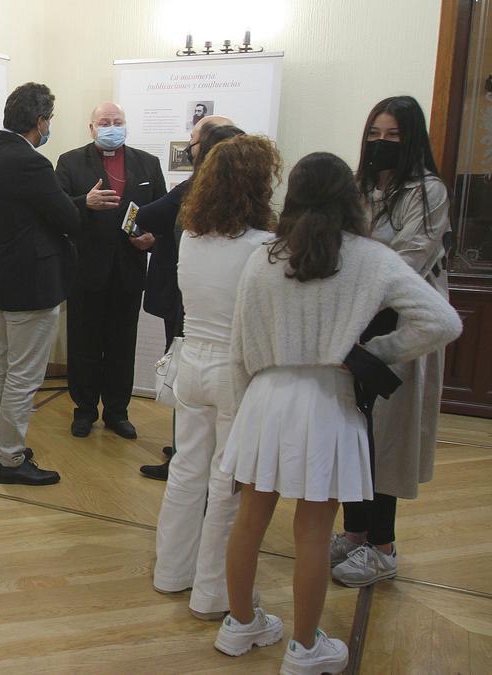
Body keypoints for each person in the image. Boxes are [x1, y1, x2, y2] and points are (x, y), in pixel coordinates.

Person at [214, 152, 461, 674]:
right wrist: (378, 354)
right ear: (348, 197)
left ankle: (240, 625)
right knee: (311, 531)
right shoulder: (370, 258)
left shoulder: (264, 257)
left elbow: (238, 350)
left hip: (264, 397)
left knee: (250, 519)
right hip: (327, 399)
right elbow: (442, 322)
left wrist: (238, 416)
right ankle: (305, 649)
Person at [330, 95, 454, 587]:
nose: (381, 145)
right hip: (355, 321)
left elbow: (409, 258)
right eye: (374, 135)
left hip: (398, 324)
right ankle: (355, 533)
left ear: (412, 140)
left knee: (386, 438)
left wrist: (359, 265)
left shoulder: (428, 192)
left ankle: (383, 547)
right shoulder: (359, 189)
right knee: (352, 431)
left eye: (393, 137)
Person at [152, 132, 276, 621]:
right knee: (226, 482)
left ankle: (170, 573)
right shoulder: (264, 246)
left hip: (191, 365)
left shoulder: (191, 235)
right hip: (234, 371)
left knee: (186, 470)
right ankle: (212, 594)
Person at [0, 82, 79, 485]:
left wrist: (75, 202)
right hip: (32, 284)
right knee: (24, 376)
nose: (49, 126)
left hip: (2, 279)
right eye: (49, 119)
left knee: (4, 368)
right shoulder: (32, 162)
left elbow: (31, 209)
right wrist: (79, 208)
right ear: (40, 121)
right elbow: (65, 219)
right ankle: (12, 460)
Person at [56, 102, 166, 440]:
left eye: (117, 121)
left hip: (129, 270)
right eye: (104, 122)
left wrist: (152, 239)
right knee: (83, 345)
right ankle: (84, 411)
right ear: (91, 128)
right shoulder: (70, 162)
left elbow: (163, 214)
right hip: (85, 270)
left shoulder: (148, 163)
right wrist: (83, 204)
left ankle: (118, 412)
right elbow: (57, 213)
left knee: (122, 345)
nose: (111, 126)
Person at [136, 115, 237, 481]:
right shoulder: (244, 201)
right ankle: (189, 447)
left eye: (193, 140)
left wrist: (144, 233)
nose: (189, 146)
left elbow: (142, 216)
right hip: (216, 312)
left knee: (184, 380)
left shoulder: (192, 189)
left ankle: (184, 453)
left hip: (187, 306)